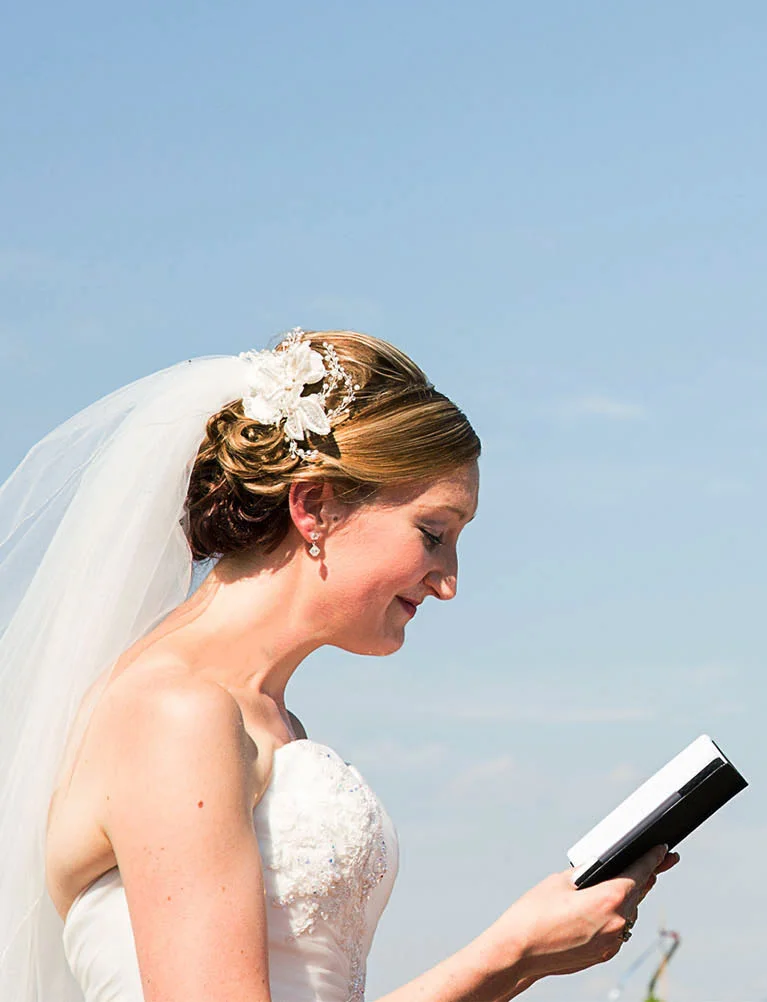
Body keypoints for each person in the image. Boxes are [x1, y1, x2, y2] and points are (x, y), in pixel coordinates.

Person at [0, 332, 671, 1002]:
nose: (449, 581)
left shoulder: (269, 721)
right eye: (433, 534)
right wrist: (511, 955)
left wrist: (523, 959)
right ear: (315, 506)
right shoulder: (174, 712)